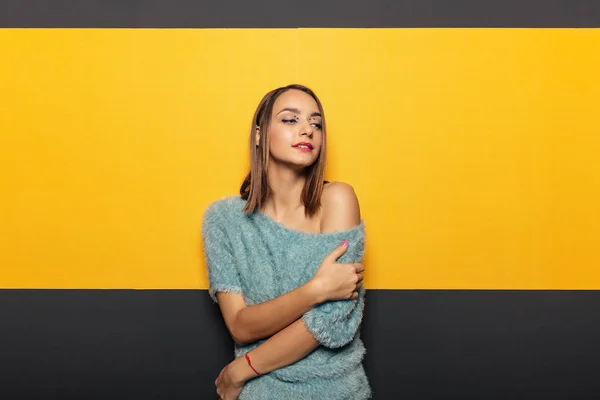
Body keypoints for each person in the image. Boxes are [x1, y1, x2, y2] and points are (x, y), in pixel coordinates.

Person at [201, 84, 371, 399]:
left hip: (336, 390)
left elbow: (332, 321)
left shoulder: (337, 200)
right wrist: (316, 290)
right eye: (290, 120)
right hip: (259, 393)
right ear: (259, 134)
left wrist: (240, 370)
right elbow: (240, 326)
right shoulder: (223, 220)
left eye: (316, 123)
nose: (307, 130)